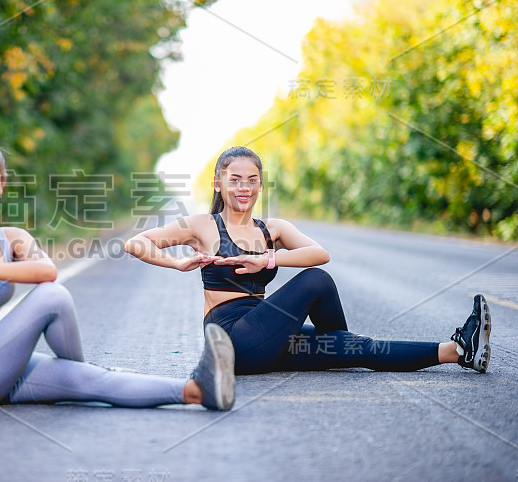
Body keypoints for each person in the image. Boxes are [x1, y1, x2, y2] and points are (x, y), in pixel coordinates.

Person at [0, 140, 235, 410]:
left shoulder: (11, 237)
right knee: (53, 297)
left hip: (2, 357)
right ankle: (80, 369)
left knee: (90, 382)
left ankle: (198, 391)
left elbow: (44, 270)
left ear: (1, 184)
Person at [124, 146, 491, 375]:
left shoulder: (274, 228)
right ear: (219, 184)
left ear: (260, 186)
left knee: (354, 347)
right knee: (315, 281)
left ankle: (458, 351)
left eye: (252, 180)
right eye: (235, 180)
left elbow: (321, 252)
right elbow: (135, 243)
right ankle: (344, 341)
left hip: (269, 336)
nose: (244, 188)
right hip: (232, 337)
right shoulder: (203, 225)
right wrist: (176, 264)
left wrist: (267, 259)